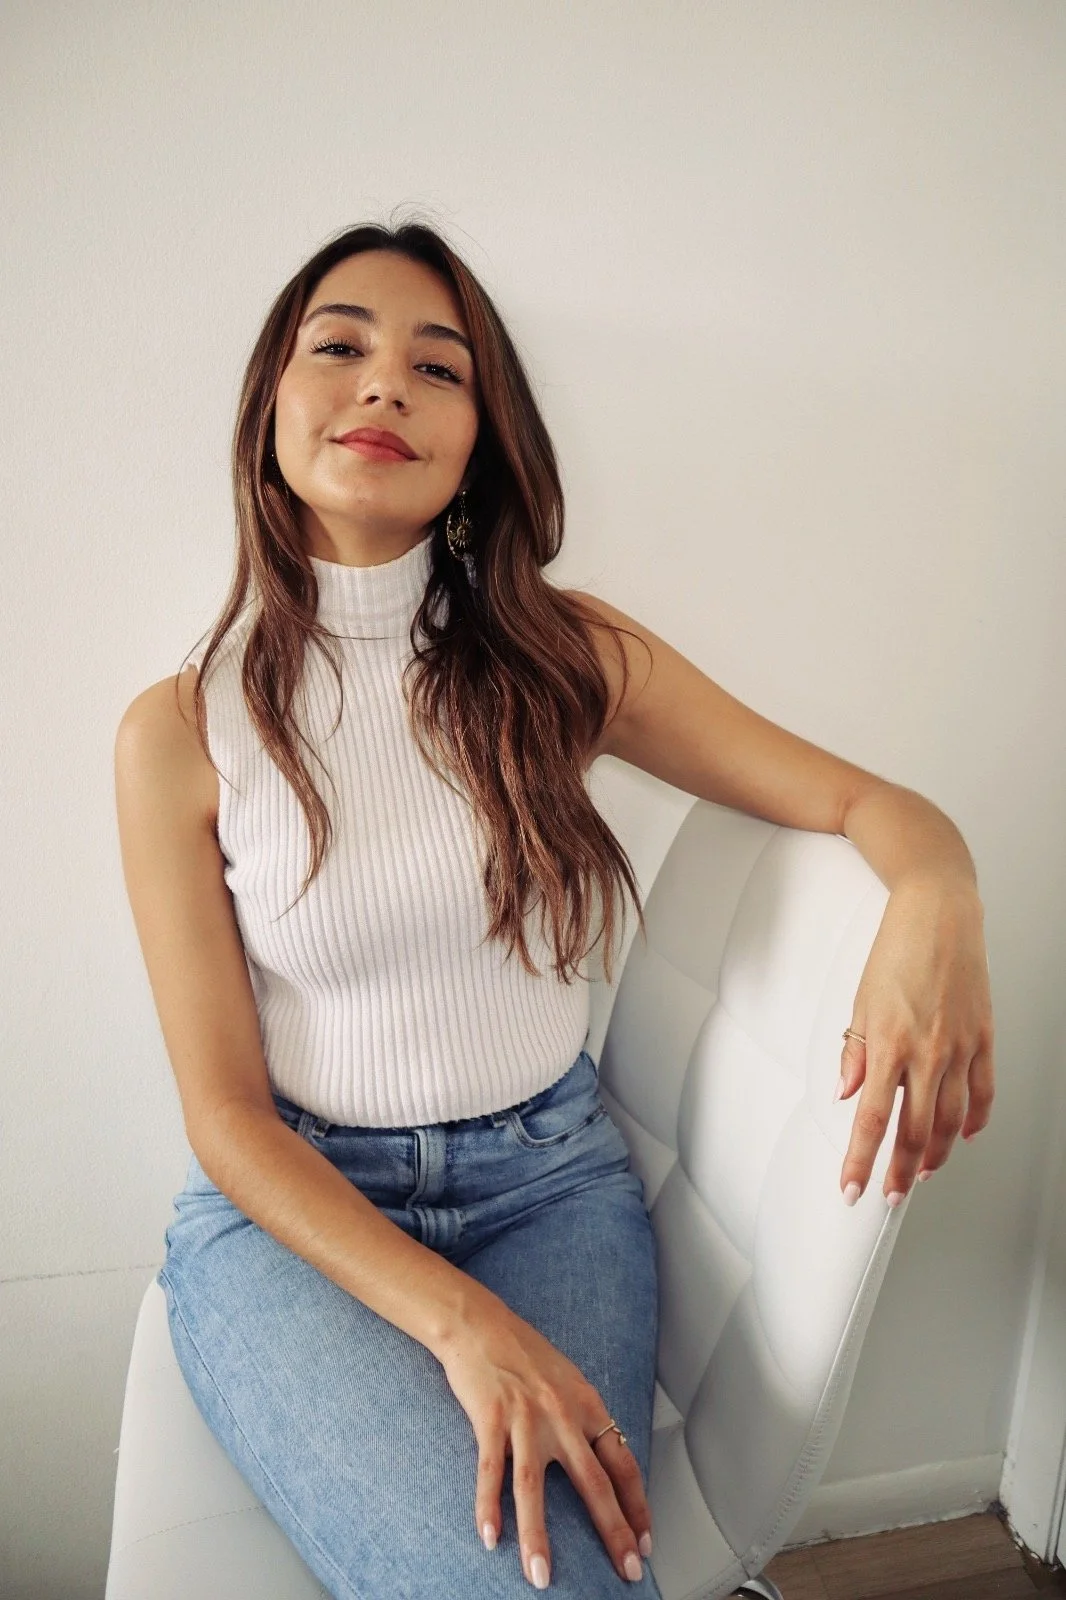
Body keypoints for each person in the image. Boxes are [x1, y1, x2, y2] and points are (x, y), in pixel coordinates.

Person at [114, 220, 995, 1599]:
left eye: (437, 367)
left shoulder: (563, 654)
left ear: (483, 438)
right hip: (301, 1207)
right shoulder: (179, 730)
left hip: (552, 1190)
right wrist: (464, 1327)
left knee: (566, 1579)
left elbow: (870, 808)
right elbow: (223, 1117)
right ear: (267, 406)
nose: (384, 386)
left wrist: (938, 890)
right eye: (338, 346)